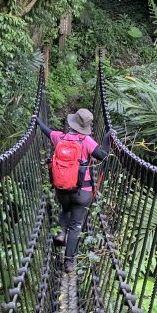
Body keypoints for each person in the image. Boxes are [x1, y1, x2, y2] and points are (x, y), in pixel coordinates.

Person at [33, 108, 111, 273]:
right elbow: (103, 155)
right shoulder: (87, 141)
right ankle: (68, 263)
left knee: (65, 209)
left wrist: (37, 120)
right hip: (82, 191)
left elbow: (47, 131)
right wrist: (107, 136)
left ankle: (61, 233)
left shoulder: (60, 137)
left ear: (72, 122)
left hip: (62, 189)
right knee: (76, 226)